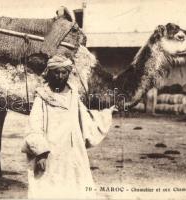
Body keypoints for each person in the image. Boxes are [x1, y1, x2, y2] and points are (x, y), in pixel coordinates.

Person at [21, 55, 117, 199]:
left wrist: (107, 113)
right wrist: (41, 153)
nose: (60, 76)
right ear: (50, 73)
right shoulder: (42, 98)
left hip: (73, 154)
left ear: (68, 73)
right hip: (51, 155)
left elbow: (86, 118)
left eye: (64, 72)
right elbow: (34, 127)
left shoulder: (73, 95)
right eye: (56, 72)